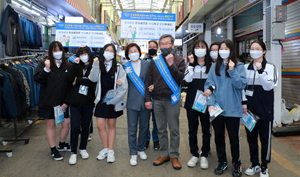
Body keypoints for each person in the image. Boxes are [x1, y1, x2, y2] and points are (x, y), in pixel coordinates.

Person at [204, 39, 247, 177]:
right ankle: (222, 161)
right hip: (217, 109)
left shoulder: (239, 66)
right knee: (219, 137)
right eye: (220, 49)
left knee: (234, 138)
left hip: (233, 109)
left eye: (225, 48)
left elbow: (241, 85)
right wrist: (210, 104)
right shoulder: (214, 67)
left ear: (231, 50)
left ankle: (236, 163)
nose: (222, 51)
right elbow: (209, 86)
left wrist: (232, 70)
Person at [145, 34, 185, 170]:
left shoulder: (179, 60)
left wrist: (171, 64)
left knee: (174, 129)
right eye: (162, 44)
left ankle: (174, 155)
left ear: (172, 45)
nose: (164, 46)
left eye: (167, 43)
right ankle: (164, 153)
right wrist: (147, 99)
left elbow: (180, 79)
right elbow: (148, 81)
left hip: (172, 100)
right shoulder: (155, 61)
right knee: (161, 129)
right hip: (157, 100)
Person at [242, 40, 278, 177]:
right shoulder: (245, 68)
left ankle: (264, 166)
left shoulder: (270, 67)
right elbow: (241, 88)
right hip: (249, 110)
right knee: (251, 138)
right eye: (252, 48)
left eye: (257, 48)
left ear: (264, 51)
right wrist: (243, 103)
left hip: (265, 109)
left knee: (265, 139)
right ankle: (254, 164)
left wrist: (260, 70)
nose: (254, 51)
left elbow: (269, 86)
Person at [88, 44, 128, 163]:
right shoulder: (98, 65)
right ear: (103, 52)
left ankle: (111, 150)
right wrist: (95, 65)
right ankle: (105, 148)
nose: (109, 52)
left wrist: (120, 84)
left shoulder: (119, 67)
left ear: (115, 54)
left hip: (113, 101)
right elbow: (93, 79)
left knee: (111, 125)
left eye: (112, 51)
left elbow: (124, 86)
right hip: (101, 100)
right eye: (107, 50)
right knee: (100, 125)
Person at [34, 41, 71, 161]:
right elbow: (38, 79)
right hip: (48, 102)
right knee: (50, 125)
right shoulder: (43, 64)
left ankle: (61, 143)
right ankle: (53, 149)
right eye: (55, 50)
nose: (58, 52)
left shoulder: (67, 65)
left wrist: (66, 101)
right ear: (50, 52)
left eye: (60, 50)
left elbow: (70, 85)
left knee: (66, 123)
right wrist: (47, 69)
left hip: (63, 102)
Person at [183, 39, 213, 169]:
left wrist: (211, 89)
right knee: (192, 129)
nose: (199, 49)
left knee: (206, 129)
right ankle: (194, 154)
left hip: (206, 102)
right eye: (197, 47)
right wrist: (190, 64)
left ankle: (204, 154)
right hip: (192, 102)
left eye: (202, 47)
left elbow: (215, 83)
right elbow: (187, 80)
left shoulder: (211, 66)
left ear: (206, 49)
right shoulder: (190, 65)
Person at [67, 46, 96, 165]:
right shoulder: (75, 66)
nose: (84, 56)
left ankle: (83, 148)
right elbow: (69, 79)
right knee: (74, 128)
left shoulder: (94, 66)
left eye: (86, 53)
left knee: (85, 127)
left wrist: (78, 80)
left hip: (88, 102)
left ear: (89, 54)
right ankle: (73, 152)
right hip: (74, 102)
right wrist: (74, 66)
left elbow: (92, 81)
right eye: (81, 54)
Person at [124, 43, 151, 166]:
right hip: (132, 102)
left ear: (139, 52)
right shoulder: (126, 67)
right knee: (132, 128)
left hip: (146, 101)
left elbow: (150, 80)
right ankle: (133, 152)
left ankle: (141, 149)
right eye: (130, 51)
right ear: (127, 54)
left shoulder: (147, 64)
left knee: (144, 127)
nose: (133, 52)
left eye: (135, 50)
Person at [143, 40, 160, 151]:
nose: (152, 48)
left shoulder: (160, 61)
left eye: (154, 46)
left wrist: (155, 85)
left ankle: (156, 140)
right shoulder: (143, 61)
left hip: (158, 94)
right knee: (145, 119)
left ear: (157, 48)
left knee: (156, 120)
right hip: (145, 93)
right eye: (150, 46)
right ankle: (146, 139)